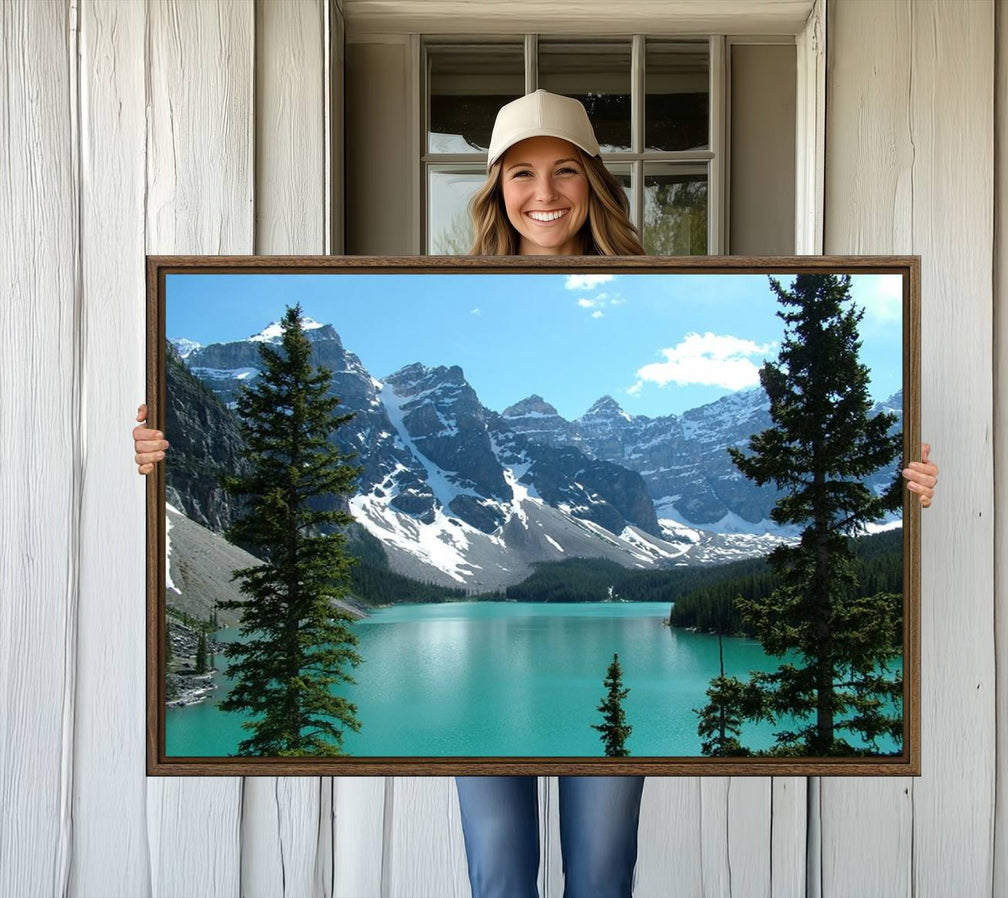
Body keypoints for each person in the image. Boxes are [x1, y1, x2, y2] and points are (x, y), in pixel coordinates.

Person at [132, 90, 939, 898]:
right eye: (521, 173)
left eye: (564, 172)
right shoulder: (448, 295)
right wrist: (161, 450)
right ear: (495, 189)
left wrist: (902, 487)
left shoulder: (656, 290)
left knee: (600, 874)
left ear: (593, 182)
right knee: (500, 874)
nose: (544, 194)